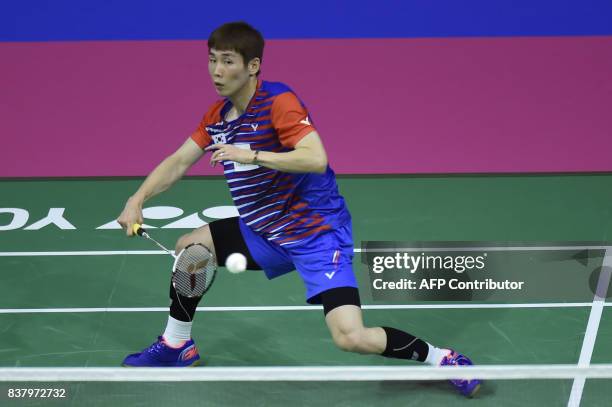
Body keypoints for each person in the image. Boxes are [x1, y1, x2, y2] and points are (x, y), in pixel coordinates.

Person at [116, 21, 480, 397]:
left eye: (227, 61)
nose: (217, 71)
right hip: (264, 230)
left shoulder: (278, 103)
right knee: (191, 250)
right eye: (212, 60)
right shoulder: (217, 118)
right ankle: (177, 345)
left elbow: (316, 157)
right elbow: (178, 161)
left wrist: (251, 154)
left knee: (350, 336)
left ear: (253, 66)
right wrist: (138, 198)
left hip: (316, 234)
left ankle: (440, 358)